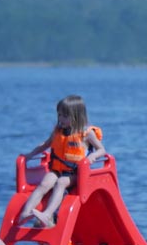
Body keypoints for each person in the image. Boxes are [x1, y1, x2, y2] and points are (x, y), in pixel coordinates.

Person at [17, 95, 105, 228]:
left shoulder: (86, 134)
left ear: (76, 116)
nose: (60, 119)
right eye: (59, 115)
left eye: (64, 116)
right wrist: (30, 155)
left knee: (61, 183)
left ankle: (47, 214)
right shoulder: (58, 131)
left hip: (74, 174)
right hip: (57, 169)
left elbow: (101, 150)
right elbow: (45, 145)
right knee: (44, 183)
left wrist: (91, 157)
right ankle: (25, 212)